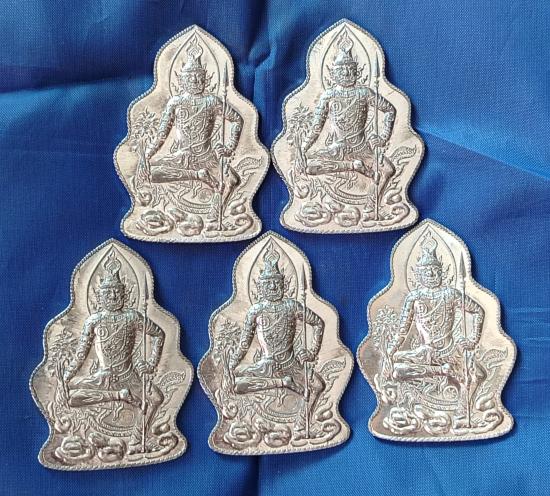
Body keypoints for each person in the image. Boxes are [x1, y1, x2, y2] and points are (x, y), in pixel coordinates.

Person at [62, 251, 165, 453]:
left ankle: (137, 440)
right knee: (68, 396)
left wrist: (151, 363)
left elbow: (159, 334)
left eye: (117, 292)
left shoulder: (133, 317)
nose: (113, 296)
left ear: (124, 295)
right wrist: (67, 375)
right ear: (99, 296)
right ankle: (117, 396)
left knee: (156, 398)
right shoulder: (93, 321)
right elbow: (81, 354)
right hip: (103, 376)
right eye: (108, 293)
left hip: (128, 375)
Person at [386, 233, 485, 428]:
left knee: (478, 376)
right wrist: (392, 349)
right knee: (396, 371)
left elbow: (478, 311)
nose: (431, 274)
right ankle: (440, 371)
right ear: (418, 275)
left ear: (441, 272)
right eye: (426, 271)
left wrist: (473, 339)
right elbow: (403, 329)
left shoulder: (451, 294)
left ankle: (462, 410)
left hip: (450, 350)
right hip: (426, 352)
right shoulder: (413, 298)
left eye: (434, 270)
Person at [228, 244, 326, 439]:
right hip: (266, 364)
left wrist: (311, 352)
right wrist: (232, 363)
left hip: (290, 362)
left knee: (317, 386)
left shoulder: (292, 306)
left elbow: (318, 323)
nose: (273, 287)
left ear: (284, 285)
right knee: (236, 384)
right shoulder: (255, 311)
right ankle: (282, 383)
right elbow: (244, 344)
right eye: (268, 283)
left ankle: (301, 425)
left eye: (276, 282)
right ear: (260, 287)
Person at [143, 36, 243, 221]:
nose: (196, 80)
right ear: (182, 80)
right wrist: (147, 155)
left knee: (232, 180)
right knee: (146, 173)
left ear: (205, 79)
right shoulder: (175, 102)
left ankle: (215, 213)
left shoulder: (212, 101)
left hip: (207, 156)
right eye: (191, 77)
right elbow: (161, 135)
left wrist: (229, 147)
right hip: (182, 156)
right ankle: (197, 175)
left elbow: (237, 120)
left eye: (199, 77)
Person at [300, 31, 396, 203]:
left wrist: (382, 138)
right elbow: (316, 127)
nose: (345, 73)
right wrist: (303, 148)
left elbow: (390, 110)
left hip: (361, 147)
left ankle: (372, 203)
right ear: (333, 74)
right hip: (338, 148)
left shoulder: (364, 93)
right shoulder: (328, 96)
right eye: (341, 70)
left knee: (388, 170)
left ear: (356, 72)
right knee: (307, 166)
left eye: (350, 70)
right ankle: (353, 166)